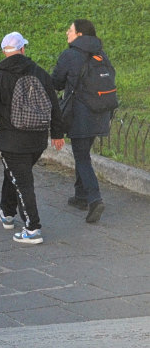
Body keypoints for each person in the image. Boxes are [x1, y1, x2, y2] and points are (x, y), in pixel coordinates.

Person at [0, 32, 65, 245]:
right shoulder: (40, 73)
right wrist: (58, 133)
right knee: (15, 174)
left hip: (12, 139)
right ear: (23, 49)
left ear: (4, 52)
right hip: (37, 139)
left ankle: (32, 228)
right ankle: (7, 213)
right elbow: (54, 103)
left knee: (22, 180)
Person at [51, 19, 112, 225]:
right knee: (83, 152)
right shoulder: (101, 54)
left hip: (79, 115)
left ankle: (94, 199)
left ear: (79, 35)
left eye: (70, 30)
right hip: (101, 112)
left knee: (82, 157)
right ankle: (80, 196)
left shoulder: (70, 55)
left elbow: (56, 82)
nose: (67, 33)